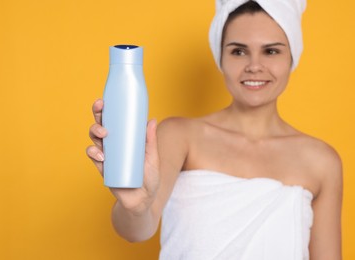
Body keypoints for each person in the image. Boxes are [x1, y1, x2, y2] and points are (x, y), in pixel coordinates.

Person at [87, 0, 342, 259]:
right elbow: (136, 230)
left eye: (271, 51)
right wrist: (136, 207)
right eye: (239, 51)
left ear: (292, 57)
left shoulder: (321, 161)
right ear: (220, 57)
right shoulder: (180, 137)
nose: (254, 65)